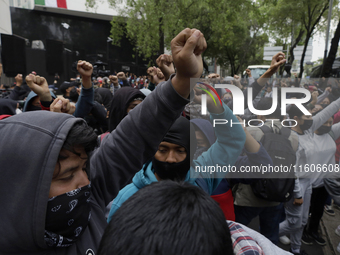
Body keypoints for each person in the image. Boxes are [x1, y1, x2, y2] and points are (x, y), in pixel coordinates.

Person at [0, 28, 207, 254]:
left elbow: (133, 137)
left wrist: (185, 79)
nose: (85, 182)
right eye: (67, 175)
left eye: (84, 168)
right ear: (20, 188)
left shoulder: (89, 199)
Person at [100, 181, 234, 255]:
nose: (170, 159)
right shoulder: (125, 196)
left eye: (180, 151)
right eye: (163, 150)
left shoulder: (201, 178)